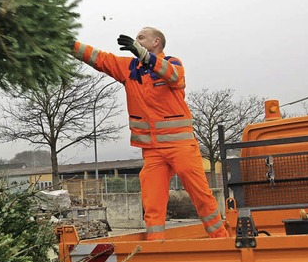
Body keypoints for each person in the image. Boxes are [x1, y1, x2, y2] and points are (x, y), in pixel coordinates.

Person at [71, 27, 228, 240]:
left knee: (200, 194)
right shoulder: (129, 68)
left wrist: (145, 56)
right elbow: (99, 58)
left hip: (180, 146)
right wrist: (67, 43)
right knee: (152, 202)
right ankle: (156, 246)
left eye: (141, 38)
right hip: (152, 151)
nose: (136, 40)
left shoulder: (173, 63)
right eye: (136, 38)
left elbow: (173, 76)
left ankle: (221, 239)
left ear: (156, 42)